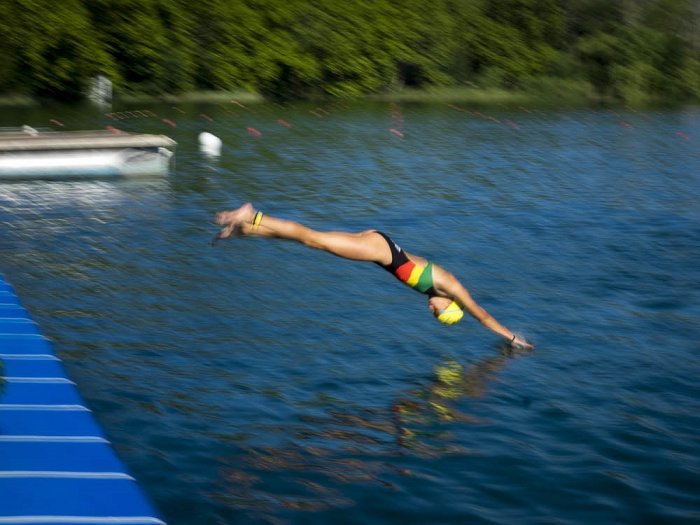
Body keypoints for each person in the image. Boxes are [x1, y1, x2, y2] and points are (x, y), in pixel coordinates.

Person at [214, 203, 532, 349]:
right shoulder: (449, 286)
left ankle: (244, 230)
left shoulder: (437, 290)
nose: (430, 310)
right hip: (381, 251)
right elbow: (481, 315)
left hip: (382, 246)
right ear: (447, 306)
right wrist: (511, 337)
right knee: (313, 239)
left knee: (310, 242)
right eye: (436, 312)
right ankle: (252, 215)